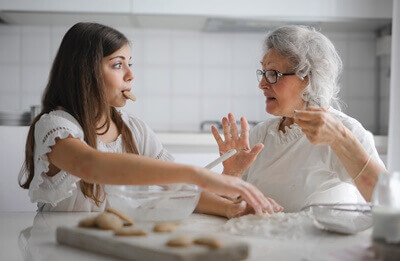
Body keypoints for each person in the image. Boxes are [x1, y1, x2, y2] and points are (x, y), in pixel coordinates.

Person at [18, 22, 280, 215]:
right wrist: (195, 173)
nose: (131, 75)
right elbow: (91, 165)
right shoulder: (55, 127)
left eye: (130, 63)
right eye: (118, 64)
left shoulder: (134, 129)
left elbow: (177, 188)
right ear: (84, 72)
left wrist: (231, 207)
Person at [206, 25, 387, 213]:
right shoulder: (261, 134)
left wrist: (341, 139)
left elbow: (387, 200)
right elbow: (228, 205)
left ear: (308, 78)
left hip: (322, 242)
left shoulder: (344, 129)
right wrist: (232, 174)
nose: (262, 84)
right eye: (263, 72)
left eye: (273, 74)